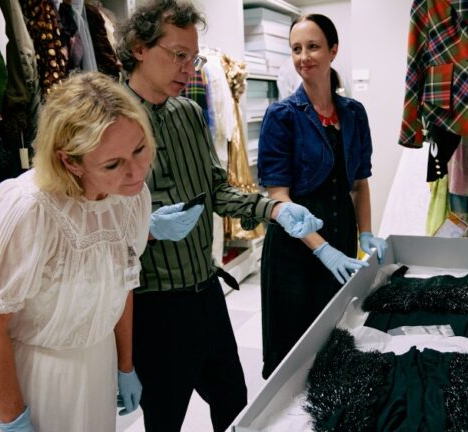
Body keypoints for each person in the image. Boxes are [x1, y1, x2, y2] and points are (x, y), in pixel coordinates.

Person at [114, 1, 323, 431]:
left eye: (193, 57)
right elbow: (90, 220)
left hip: (206, 293)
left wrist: (275, 209)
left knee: (234, 402)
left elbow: (217, 190)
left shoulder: (189, 113)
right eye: (178, 55)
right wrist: (144, 228)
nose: (189, 68)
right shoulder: (107, 121)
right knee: (164, 416)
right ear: (138, 47)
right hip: (152, 304)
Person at [0, 72, 157, 431]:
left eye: (140, 148)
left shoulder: (130, 198)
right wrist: (13, 418)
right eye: (112, 164)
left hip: (96, 365)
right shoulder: (28, 210)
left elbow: (121, 283)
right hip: (32, 375)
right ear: (70, 162)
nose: (136, 172)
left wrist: (125, 365)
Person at [257, 14, 388, 379]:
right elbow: (278, 197)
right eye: (296, 49)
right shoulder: (281, 116)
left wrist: (365, 234)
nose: (303, 57)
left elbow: (360, 184)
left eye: (312, 46)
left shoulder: (353, 113)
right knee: (293, 351)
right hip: (295, 245)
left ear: (333, 50)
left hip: (342, 234)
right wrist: (321, 248)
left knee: (333, 337)